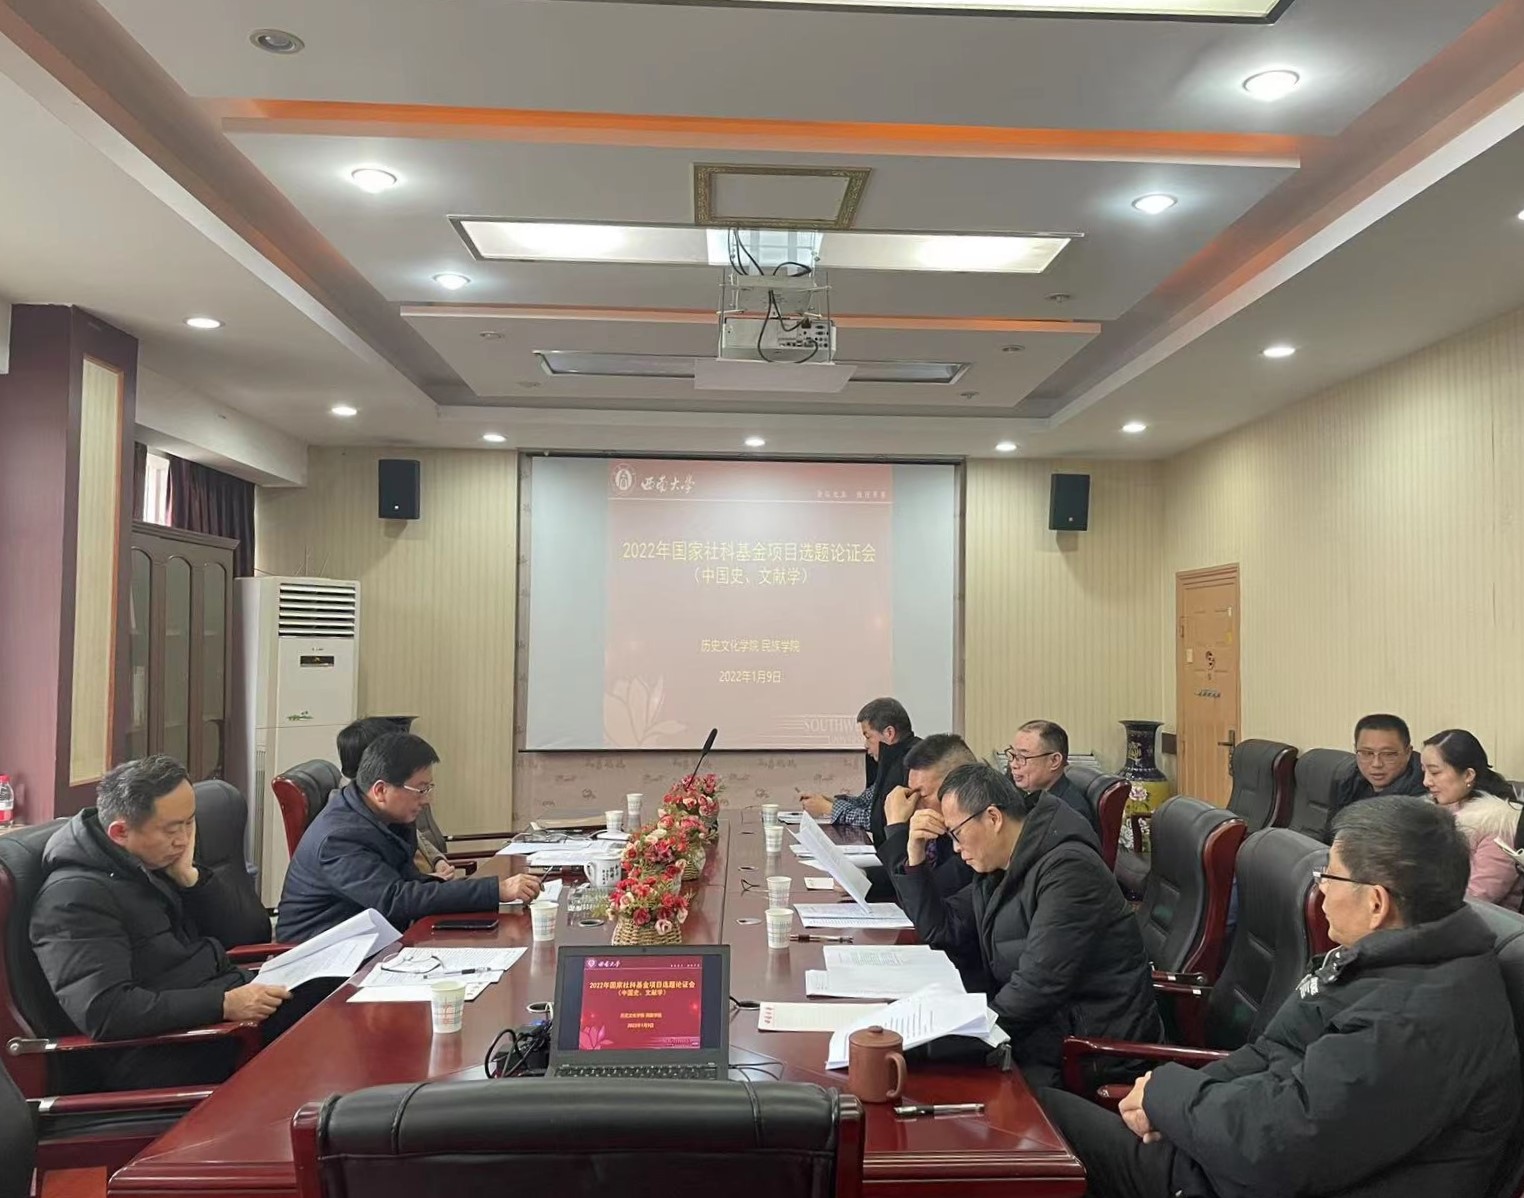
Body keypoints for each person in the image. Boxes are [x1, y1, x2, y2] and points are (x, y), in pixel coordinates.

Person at [1041, 795, 1522, 1198]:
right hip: (1234, 1155)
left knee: (1040, 1131)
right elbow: (1273, 1052)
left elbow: (1277, 1144)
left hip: (1253, 1174)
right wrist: (1171, 1103)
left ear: (1376, 903)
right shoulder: (1386, 960)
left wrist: (1167, 1096)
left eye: (1329, 877)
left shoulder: (1414, 1021)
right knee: (1042, 1116)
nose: (1322, 891)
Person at [30, 757, 322, 1089]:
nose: (184, 840)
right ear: (120, 832)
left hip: (220, 1010)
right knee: (328, 1031)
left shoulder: (155, 861)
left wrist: (191, 880)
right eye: (172, 829)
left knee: (332, 992)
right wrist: (224, 1004)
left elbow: (250, 933)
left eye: (190, 822)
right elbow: (105, 1012)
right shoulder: (74, 898)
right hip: (166, 1051)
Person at [891, 762, 1161, 1087]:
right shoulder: (1000, 865)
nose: (956, 847)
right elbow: (942, 929)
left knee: (932, 1082)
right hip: (1039, 1037)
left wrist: (945, 1042)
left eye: (956, 834)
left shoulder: (1069, 871)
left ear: (993, 818)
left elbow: (1037, 987)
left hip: (1086, 1055)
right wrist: (915, 856)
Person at [277, 733, 541, 942]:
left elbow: (407, 884)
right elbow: (395, 899)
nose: (428, 800)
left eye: (429, 788)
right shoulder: (339, 838)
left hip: (370, 940)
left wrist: (465, 889)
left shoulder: (384, 817)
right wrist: (496, 890)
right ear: (381, 790)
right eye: (421, 790)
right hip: (324, 959)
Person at [337, 717, 456, 880]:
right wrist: (429, 879)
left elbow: (419, 837)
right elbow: (390, 888)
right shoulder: (347, 826)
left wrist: (437, 859)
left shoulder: (390, 802)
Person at [1421, 728, 1523, 907]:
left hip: (1478, 918)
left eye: (1435, 772)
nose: (1426, 782)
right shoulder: (1428, 812)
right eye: (1424, 772)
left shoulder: (1498, 823)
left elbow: (1479, 896)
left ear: (1468, 775)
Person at [881, 733, 978, 899]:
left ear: (958, 787)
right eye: (912, 793)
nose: (914, 803)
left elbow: (918, 898)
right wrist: (862, 879)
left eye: (923, 794)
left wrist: (896, 827)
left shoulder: (975, 836)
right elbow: (905, 874)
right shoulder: (940, 826)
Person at [1322, 713, 1427, 839]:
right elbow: (1329, 837)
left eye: (1388, 754)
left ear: (1408, 753)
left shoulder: (1422, 798)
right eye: (1367, 753)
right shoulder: (1347, 782)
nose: (1376, 764)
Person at [1007, 720, 1095, 834]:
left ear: (1054, 761)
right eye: (1012, 754)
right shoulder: (1035, 796)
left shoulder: (1068, 816)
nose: (1013, 764)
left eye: (1022, 756)